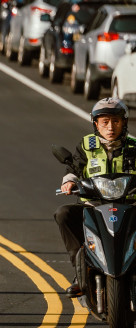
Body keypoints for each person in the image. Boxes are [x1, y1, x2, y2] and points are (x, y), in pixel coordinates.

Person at [54, 98, 136, 297]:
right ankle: (81, 272)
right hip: (93, 206)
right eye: (105, 122)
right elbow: (74, 169)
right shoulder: (86, 145)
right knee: (63, 214)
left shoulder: (134, 146)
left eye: (115, 121)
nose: (110, 127)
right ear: (96, 124)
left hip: (129, 206)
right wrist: (69, 182)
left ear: (124, 122)